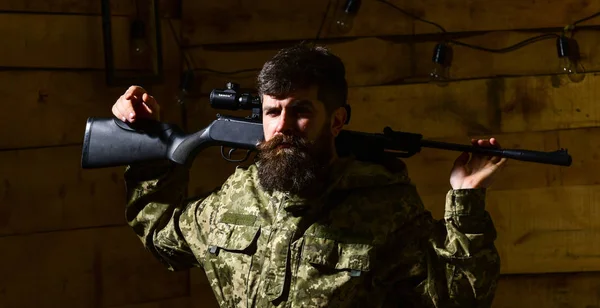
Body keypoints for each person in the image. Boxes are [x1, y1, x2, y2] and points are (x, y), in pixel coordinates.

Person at [111, 44, 507, 307]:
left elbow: (460, 298)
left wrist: (465, 199)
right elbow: (161, 235)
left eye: (300, 110)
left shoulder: (382, 204)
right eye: (271, 112)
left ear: (336, 120)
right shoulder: (236, 197)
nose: (282, 126)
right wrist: (147, 145)